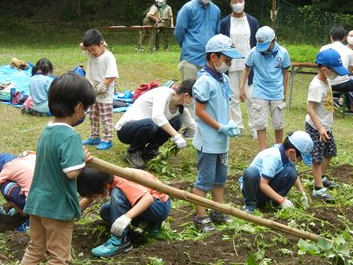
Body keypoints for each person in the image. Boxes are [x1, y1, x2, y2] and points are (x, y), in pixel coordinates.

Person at [14, 72, 95, 265]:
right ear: (79, 107)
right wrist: (81, 157)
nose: (86, 113)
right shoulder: (70, 136)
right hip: (56, 207)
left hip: (37, 203)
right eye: (86, 108)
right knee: (59, 258)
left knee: (35, 250)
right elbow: (71, 171)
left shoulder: (47, 130)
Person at [191, 34, 243, 233]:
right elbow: (200, 111)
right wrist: (220, 127)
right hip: (209, 140)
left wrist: (230, 122)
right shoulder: (204, 81)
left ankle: (218, 211)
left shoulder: (223, 78)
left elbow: (226, 103)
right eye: (226, 59)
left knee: (220, 179)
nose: (229, 63)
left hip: (222, 141)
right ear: (214, 57)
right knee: (204, 180)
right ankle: (201, 216)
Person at [77, 167, 171, 257]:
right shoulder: (105, 178)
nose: (95, 198)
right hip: (152, 204)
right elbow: (89, 197)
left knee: (117, 194)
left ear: (105, 186)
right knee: (105, 211)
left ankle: (120, 241)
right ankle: (151, 224)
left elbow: (148, 199)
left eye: (95, 195)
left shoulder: (122, 182)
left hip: (158, 206)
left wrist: (126, 217)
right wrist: (73, 213)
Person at [116, 79, 197, 169]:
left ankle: (149, 151)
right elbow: (157, 116)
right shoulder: (163, 93)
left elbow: (193, 126)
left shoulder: (181, 108)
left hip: (147, 129)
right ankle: (132, 152)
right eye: (195, 98)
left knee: (176, 122)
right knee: (150, 124)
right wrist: (176, 136)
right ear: (186, 95)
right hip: (126, 130)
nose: (196, 102)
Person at [239, 26, 291, 150]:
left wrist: (284, 90)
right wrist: (241, 87)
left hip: (277, 93)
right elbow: (247, 68)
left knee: (278, 124)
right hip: (259, 92)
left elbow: (285, 72)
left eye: (267, 45)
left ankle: (279, 149)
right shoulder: (254, 52)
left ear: (275, 40)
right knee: (260, 124)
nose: (263, 49)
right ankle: (262, 151)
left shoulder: (283, 52)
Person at [305, 49, 345, 202]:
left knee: (329, 152)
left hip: (326, 126)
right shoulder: (316, 86)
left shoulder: (326, 80)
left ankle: (321, 177)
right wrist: (320, 128)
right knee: (317, 158)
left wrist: (331, 108)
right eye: (334, 70)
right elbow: (310, 108)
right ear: (324, 69)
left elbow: (326, 98)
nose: (336, 73)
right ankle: (317, 189)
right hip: (316, 128)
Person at [240, 131, 313, 213]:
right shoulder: (273, 157)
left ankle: (271, 202)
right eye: (301, 158)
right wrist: (282, 200)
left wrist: (302, 193)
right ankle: (250, 205)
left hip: (266, 188)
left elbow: (294, 175)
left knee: (292, 172)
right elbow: (262, 184)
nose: (300, 161)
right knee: (251, 173)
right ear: (292, 152)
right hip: (253, 189)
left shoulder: (287, 154)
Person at [219, 0, 259, 137]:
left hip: (249, 65)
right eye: (234, 1)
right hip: (231, 65)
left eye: (240, 1)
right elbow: (221, 43)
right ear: (230, 3)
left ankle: (255, 127)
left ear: (245, 1)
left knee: (251, 97)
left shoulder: (253, 21)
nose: (238, 4)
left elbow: (256, 44)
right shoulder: (224, 22)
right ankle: (237, 126)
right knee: (233, 96)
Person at [174, 0, 221, 83]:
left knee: (206, 95)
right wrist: (188, 45)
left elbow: (216, 33)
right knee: (189, 96)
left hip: (209, 61)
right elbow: (178, 32)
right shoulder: (188, 8)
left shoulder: (216, 10)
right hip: (190, 60)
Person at [80, 29, 119, 151]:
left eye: (93, 49)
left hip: (104, 92)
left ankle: (107, 140)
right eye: (89, 50)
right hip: (92, 90)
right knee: (93, 115)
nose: (91, 52)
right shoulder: (92, 52)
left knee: (106, 117)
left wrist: (103, 85)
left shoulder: (108, 57)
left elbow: (112, 75)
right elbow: (81, 45)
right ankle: (94, 137)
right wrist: (87, 46)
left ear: (102, 44)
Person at [0, 151, 36, 232]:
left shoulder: (6, 168)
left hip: (39, 208)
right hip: (58, 201)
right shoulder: (30, 156)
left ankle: (31, 223)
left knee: (5, 187)